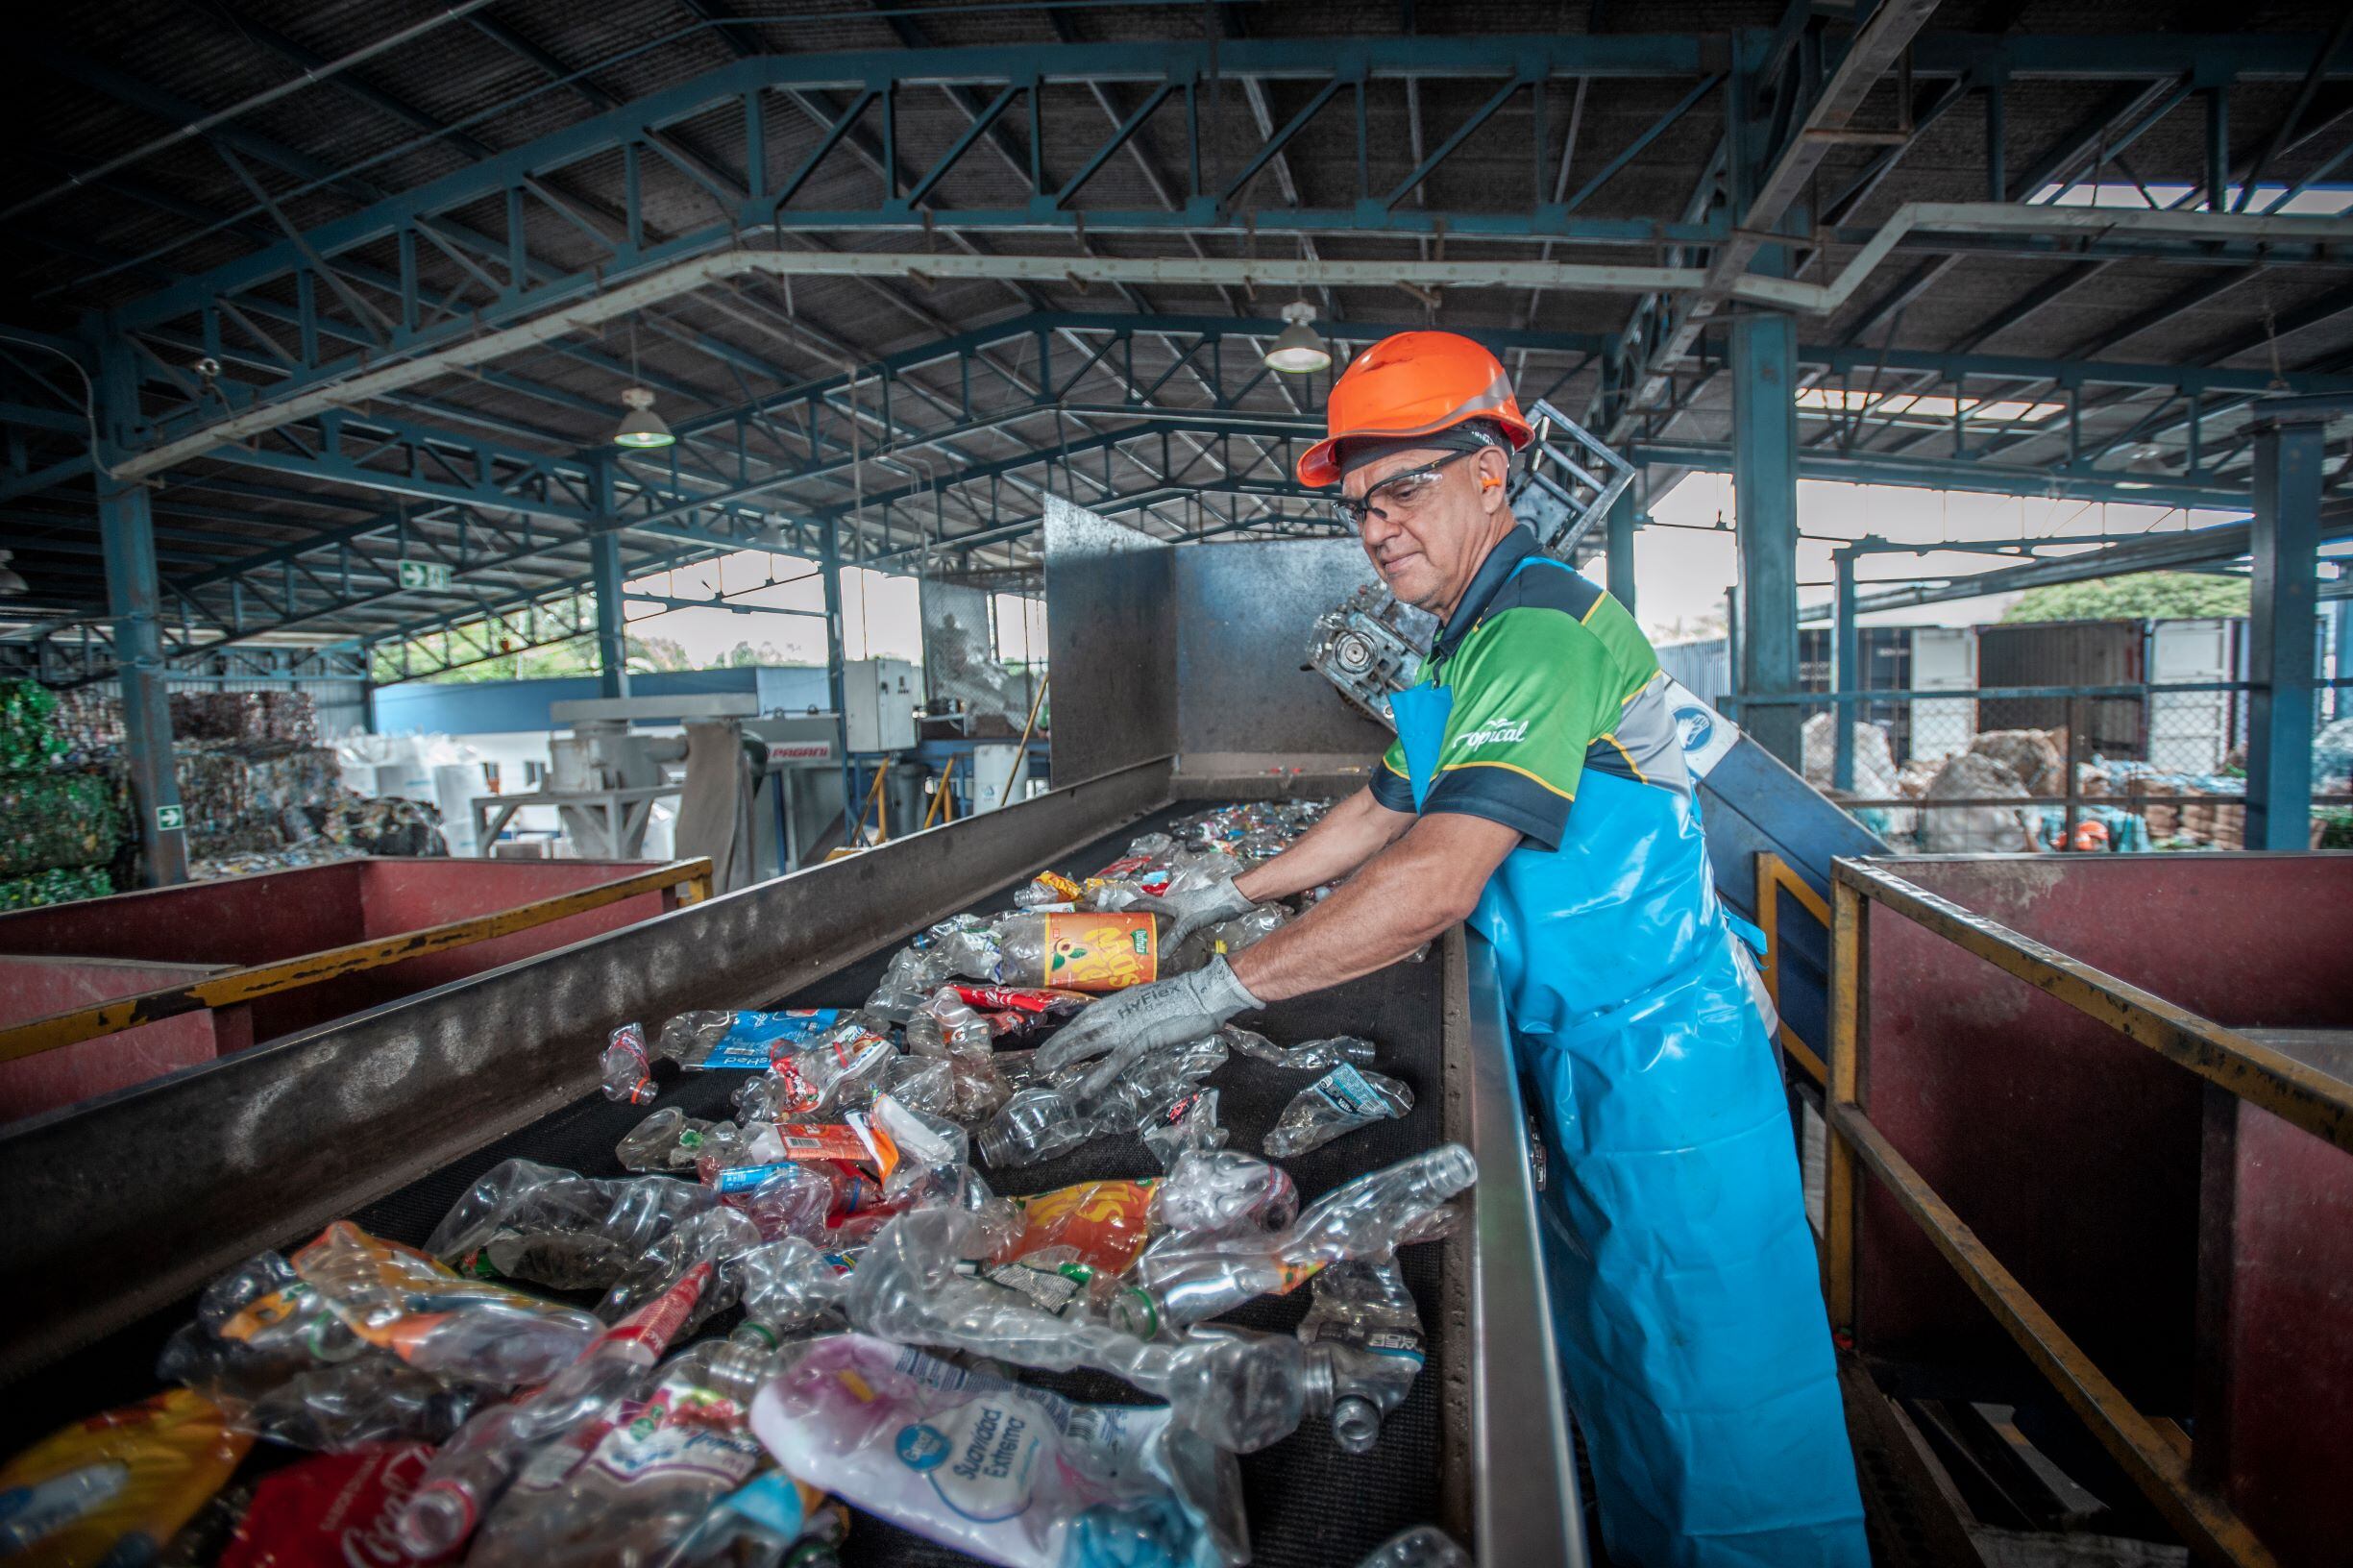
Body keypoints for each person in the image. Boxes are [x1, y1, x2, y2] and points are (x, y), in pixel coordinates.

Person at [1038, 331, 1869, 1567]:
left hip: (1662, 1063)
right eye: (1360, 504)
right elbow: (1386, 801)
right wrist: (1226, 889)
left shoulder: (1537, 631)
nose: (1376, 528)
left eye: (1407, 488)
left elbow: (1432, 877)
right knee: (1626, 1358)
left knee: (1721, 1396)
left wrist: (1209, 991)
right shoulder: (1468, 634)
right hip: (1580, 1040)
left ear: (1494, 473)